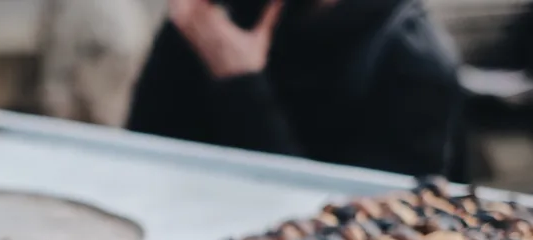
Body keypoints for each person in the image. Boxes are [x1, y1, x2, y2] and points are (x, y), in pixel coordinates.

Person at [127, 0, 467, 179]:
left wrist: (240, 85)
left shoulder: (412, 59)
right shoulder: (216, 18)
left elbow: (363, 236)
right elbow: (141, 159)